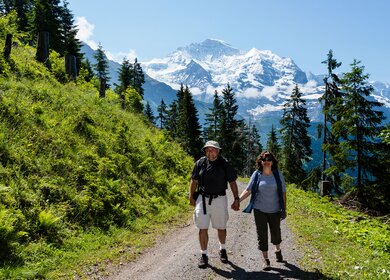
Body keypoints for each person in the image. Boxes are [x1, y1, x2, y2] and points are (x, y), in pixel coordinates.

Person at [189, 140, 240, 268]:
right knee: (202, 227)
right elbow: (194, 181)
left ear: (218, 151)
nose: (210, 151)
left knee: (221, 226)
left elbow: (232, 182)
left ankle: (222, 249)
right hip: (203, 198)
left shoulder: (225, 164)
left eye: (213, 149)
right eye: (208, 149)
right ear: (205, 151)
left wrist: (236, 198)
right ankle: (204, 255)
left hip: (220, 198)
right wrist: (191, 196)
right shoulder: (200, 163)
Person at [239, 151, 287, 271]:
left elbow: (283, 192)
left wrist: (284, 209)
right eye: (264, 160)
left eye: (269, 160)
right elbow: (248, 189)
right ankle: (265, 260)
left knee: (275, 232)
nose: (266, 162)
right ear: (261, 162)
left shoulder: (278, 174)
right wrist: (237, 200)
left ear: (272, 162)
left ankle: (277, 249)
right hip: (259, 209)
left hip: (275, 209)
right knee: (262, 233)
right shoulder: (257, 174)